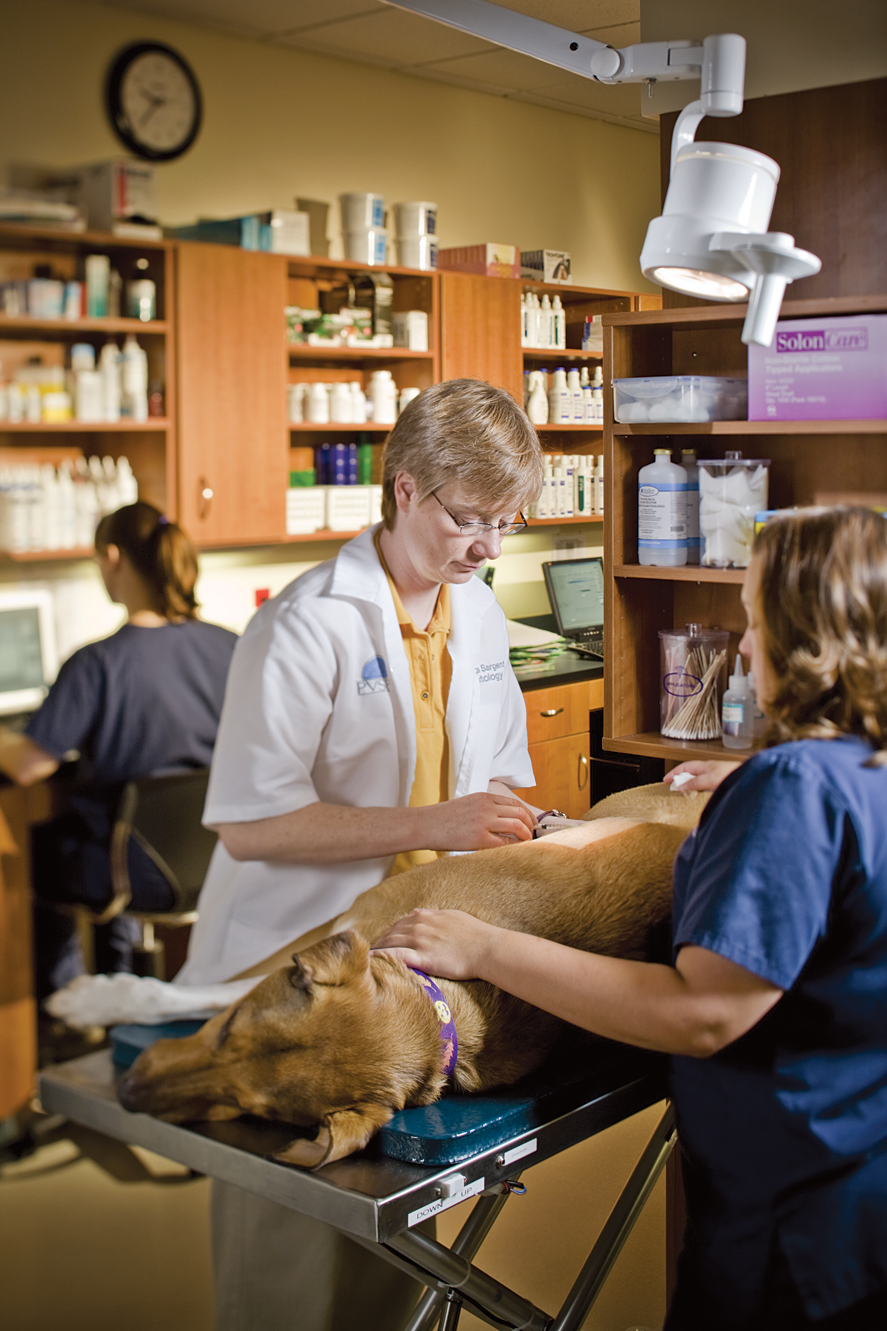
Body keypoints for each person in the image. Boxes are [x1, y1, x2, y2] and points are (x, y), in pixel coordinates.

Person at [377, 506, 887, 1331]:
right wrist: (748, 795)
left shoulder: (794, 792)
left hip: (792, 1224)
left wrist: (485, 946)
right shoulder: (853, 771)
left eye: (758, 621)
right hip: (859, 1182)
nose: (747, 646)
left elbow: (700, 1010)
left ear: (811, 637)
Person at [176, 378, 544, 1331]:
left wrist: (528, 831)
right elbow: (251, 824)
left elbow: (495, 787)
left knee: (406, 1256)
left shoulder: (483, 617)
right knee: (285, 1263)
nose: (489, 547)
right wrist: (434, 825)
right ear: (406, 489)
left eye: (507, 523)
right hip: (287, 969)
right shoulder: (305, 621)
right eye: (470, 519)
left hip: (412, 976)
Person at [0, 501, 238, 995]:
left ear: (112, 558)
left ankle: (64, 1004)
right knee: (107, 830)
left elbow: (28, 765)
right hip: (220, 861)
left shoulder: (96, 664)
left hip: (132, 873)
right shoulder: (229, 646)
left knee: (32, 851)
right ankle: (116, 985)